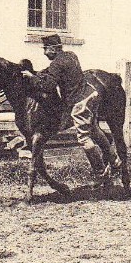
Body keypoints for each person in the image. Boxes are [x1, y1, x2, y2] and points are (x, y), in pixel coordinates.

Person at [24, 34, 115, 185]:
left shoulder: (56, 64)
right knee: (95, 130)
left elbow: (49, 86)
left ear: (53, 49)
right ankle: (115, 161)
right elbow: (51, 71)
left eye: (46, 49)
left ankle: (101, 173)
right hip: (91, 95)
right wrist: (36, 74)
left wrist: (32, 78)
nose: (44, 52)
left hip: (79, 103)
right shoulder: (71, 55)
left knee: (84, 138)